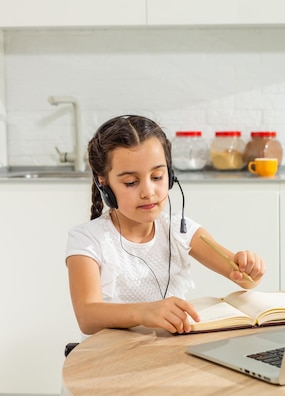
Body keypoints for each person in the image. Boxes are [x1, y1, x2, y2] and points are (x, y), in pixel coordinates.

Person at [65, 115, 266, 335]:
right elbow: (87, 317)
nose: (148, 192)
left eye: (157, 176)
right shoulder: (87, 239)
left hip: (168, 355)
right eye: (131, 182)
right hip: (114, 359)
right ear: (104, 183)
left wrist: (249, 268)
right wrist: (144, 313)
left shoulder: (181, 231)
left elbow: (244, 280)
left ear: (170, 176)